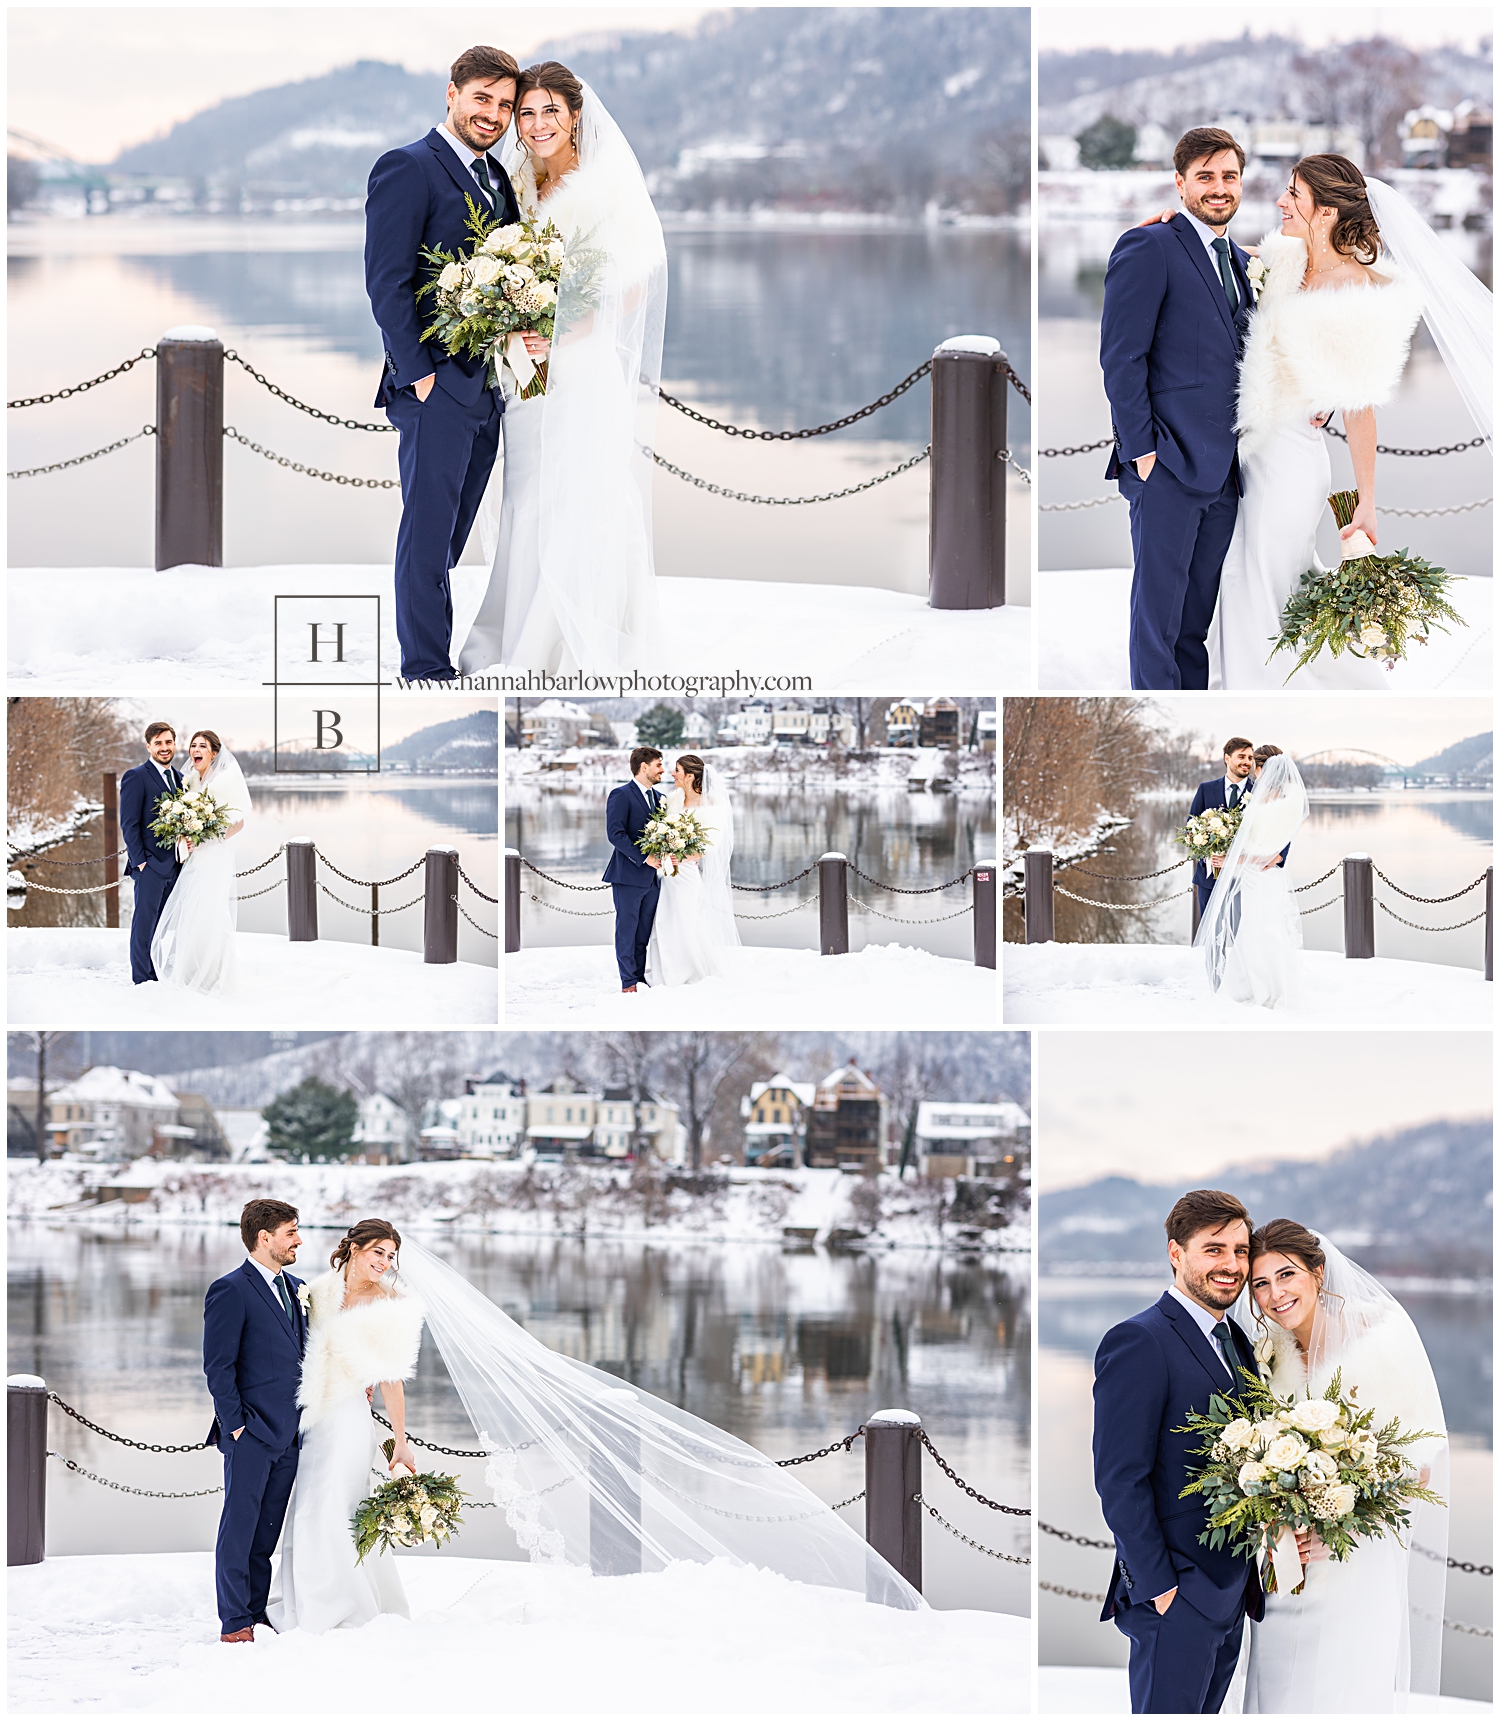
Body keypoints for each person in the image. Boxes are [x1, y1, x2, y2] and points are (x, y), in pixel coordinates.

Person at [457, 61, 666, 674]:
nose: (537, 122)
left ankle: (571, 634)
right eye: (526, 112)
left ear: (576, 116)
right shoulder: (516, 183)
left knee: (576, 494)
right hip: (524, 368)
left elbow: (632, 283)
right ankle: (517, 623)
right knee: (527, 493)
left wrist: (567, 329)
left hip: (577, 365)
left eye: (551, 110)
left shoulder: (600, 187)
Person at [365, 45, 531, 681]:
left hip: (487, 385)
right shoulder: (408, 167)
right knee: (428, 535)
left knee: (450, 536)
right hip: (434, 385)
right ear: (452, 94)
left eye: (504, 105)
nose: (491, 115)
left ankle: (427, 643)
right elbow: (387, 282)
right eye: (481, 98)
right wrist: (419, 375)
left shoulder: (496, 178)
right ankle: (426, 668)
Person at [1239, 1220, 1448, 1712]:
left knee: (1338, 1688)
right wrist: (1274, 1518)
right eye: (1261, 1284)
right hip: (1286, 1565)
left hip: (1354, 1560)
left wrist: (1336, 1519)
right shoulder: (1267, 1351)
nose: (1275, 1294)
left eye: (1287, 1275)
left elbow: (1416, 1470)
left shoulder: (1381, 1341)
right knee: (1275, 1691)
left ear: (1317, 1271)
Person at [1093, 1189, 1264, 1713]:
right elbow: (1120, 1478)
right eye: (1214, 1249)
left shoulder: (1238, 1341)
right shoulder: (1139, 1340)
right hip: (1176, 1595)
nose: (1231, 1265)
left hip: (1232, 1591)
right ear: (1176, 1253)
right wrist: (1161, 1589)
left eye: (1239, 1251)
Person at [1100, 129, 1254, 690]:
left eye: (1229, 176)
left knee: (1193, 626)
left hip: (1224, 473)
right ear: (1181, 182)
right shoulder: (1149, 246)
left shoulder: (1239, 261)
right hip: (1165, 464)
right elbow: (1121, 359)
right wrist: (1141, 450)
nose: (1218, 188)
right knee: (1157, 624)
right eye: (1205, 177)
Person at [269, 1219, 424, 1634]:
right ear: (355, 1247)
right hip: (311, 1419)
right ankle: (307, 1600)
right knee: (309, 1507)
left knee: (341, 1508)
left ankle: (345, 1605)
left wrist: (400, 1441)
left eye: (391, 1256)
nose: (384, 1262)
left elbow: (392, 1380)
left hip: (350, 1420)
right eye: (379, 1252)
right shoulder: (319, 1291)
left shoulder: (389, 1303)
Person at [202, 1201, 307, 1643]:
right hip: (250, 1433)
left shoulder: (299, 1288)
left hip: (291, 1433)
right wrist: (237, 1426)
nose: (298, 1240)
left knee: (267, 1532)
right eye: (291, 1232)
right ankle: (233, 1621)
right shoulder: (231, 1289)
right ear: (264, 1238)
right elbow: (218, 1367)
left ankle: (256, 1610)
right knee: (239, 1528)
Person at [1193, 752, 1308, 1010]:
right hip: (1256, 877)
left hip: (1261, 873)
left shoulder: (1277, 802)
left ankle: (1265, 990)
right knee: (1256, 931)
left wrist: (1235, 860)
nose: (1253, 771)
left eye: (1255, 766)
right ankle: (1257, 986)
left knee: (1264, 932)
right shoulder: (1280, 798)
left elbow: (1273, 847)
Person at [148, 729, 251, 995]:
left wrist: (207, 839)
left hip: (213, 858)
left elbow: (238, 823)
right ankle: (190, 970)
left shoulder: (225, 780)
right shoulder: (191, 782)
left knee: (210, 913)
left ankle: (213, 974)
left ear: (214, 753)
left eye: (202, 746)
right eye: (193, 745)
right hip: (193, 859)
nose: (196, 750)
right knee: (192, 913)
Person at [645, 753, 742, 987]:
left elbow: (710, 845)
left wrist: (680, 856)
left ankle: (691, 971)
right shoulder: (673, 799)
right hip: (666, 872)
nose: (672, 774)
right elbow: (662, 828)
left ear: (689, 775)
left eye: (677, 770)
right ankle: (663, 973)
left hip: (686, 873)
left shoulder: (712, 805)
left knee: (686, 922)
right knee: (664, 922)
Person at [119, 721, 185, 985]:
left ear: (174, 744)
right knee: (144, 925)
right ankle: (142, 978)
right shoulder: (136, 776)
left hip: (174, 865)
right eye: (158, 743)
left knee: (161, 925)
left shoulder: (180, 779)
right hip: (149, 866)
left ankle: (154, 970)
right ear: (149, 746)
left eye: (168, 742)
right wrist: (141, 863)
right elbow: (129, 823)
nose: (164, 747)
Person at [603, 745, 666, 992]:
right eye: (659, 764)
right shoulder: (621, 795)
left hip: (653, 878)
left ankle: (639, 978)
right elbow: (615, 834)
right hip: (628, 875)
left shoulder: (660, 799)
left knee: (643, 933)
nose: (663, 770)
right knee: (627, 930)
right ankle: (628, 981)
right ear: (644, 767)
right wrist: (644, 858)